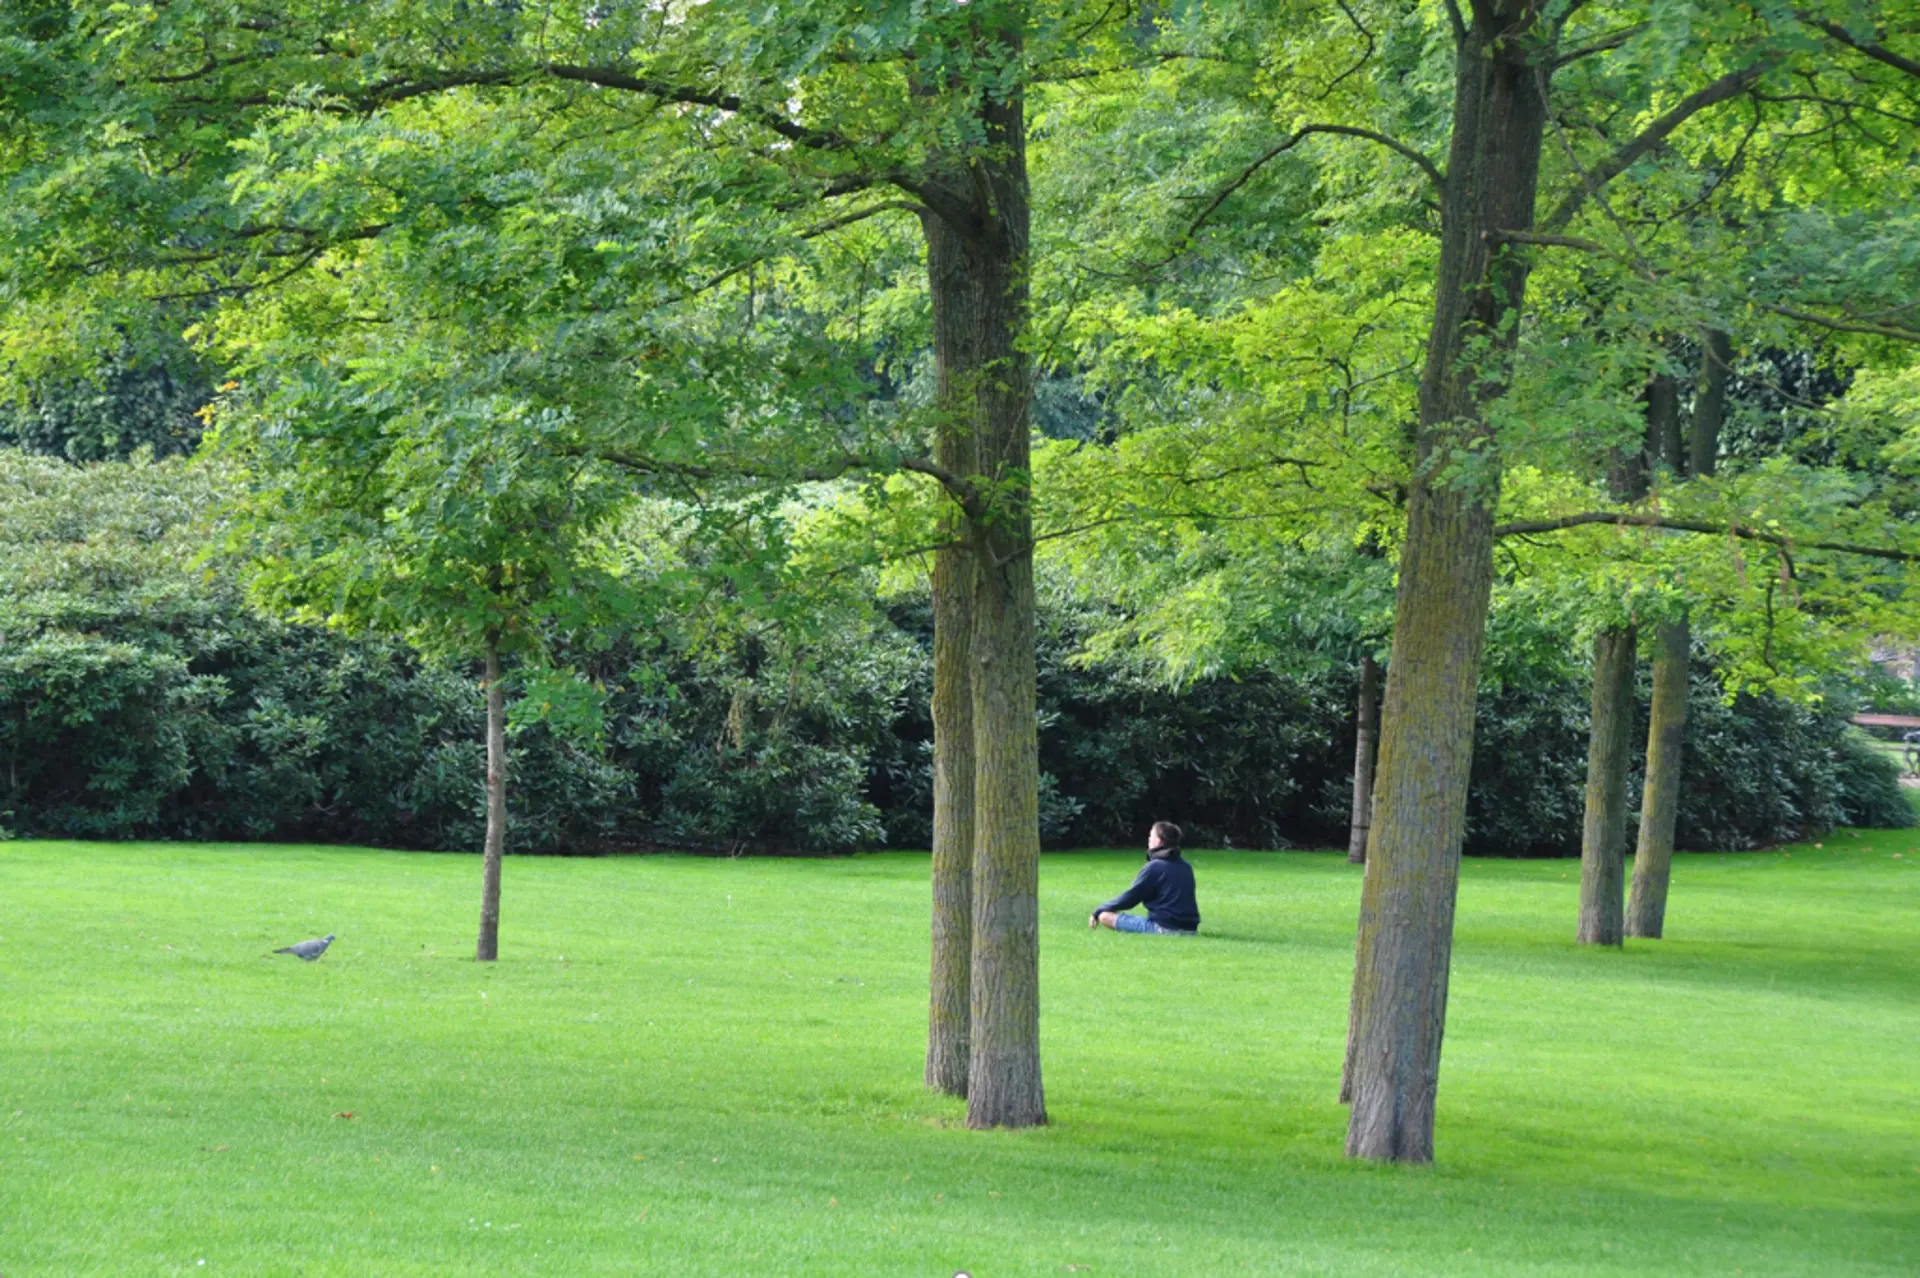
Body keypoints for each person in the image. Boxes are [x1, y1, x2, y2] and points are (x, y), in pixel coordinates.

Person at [1089, 820, 1200, 935]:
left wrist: (1099, 910)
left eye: (1151, 836)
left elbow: (1131, 897)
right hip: (1191, 930)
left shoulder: (1155, 867)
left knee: (1105, 916)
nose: (1149, 839)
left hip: (1164, 928)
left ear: (1159, 841)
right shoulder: (1186, 867)